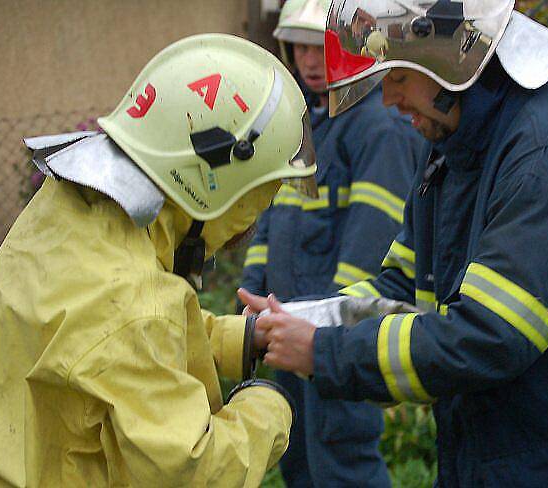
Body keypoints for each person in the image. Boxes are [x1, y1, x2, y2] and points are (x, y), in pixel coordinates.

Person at [241, 0, 548, 484]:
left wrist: (325, 352)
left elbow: (486, 338)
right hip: (533, 459)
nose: (388, 99)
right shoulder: (456, 153)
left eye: (398, 76)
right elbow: (402, 289)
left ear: (454, 60)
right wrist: (292, 320)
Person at [0, 34, 318, 487]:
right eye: (260, 196)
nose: (255, 218)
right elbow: (192, 469)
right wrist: (267, 406)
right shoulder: (136, 304)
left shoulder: (63, 213)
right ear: (217, 184)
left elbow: (98, 337)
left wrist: (236, 339)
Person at [239, 0, 424, 485]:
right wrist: (250, 293)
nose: (310, 62)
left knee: (342, 461)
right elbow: (272, 224)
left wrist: (334, 336)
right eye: (299, 49)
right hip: (285, 326)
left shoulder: (377, 130)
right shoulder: (306, 127)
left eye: (322, 48)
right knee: (298, 459)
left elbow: (371, 247)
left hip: (329, 339)